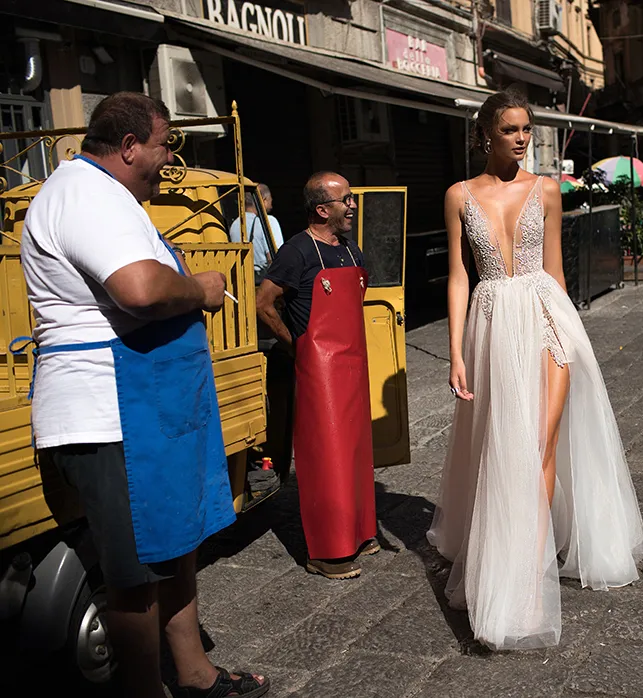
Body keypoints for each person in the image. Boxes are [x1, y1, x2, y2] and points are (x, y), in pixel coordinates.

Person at [18, 92, 268, 697]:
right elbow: (138, 288)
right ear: (129, 147)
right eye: (163, 146)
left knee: (174, 545)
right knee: (134, 570)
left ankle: (195, 675)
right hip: (110, 412)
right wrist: (200, 287)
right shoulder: (83, 194)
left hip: (146, 408)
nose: (167, 162)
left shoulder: (112, 197)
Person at [426, 89, 643, 650]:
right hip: (492, 327)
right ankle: (517, 567)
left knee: (540, 447)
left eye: (527, 129)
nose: (522, 139)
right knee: (507, 450)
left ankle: (527, 577)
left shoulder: (547, 189)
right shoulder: (458, 196)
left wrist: (570, 336)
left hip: (548, 322)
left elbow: (555, 274)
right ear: (485, 136)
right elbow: (459, 278)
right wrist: (455, 352)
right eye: (511, 131)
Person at [255, 171, 378, 580]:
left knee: (356, 452)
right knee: (327, 458)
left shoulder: (349, 249)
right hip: (319, 369)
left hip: (352, 364)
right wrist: (296, 342)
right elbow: (263, 302)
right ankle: (326, 551)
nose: (353, 206)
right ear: (322, 209)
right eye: (346, 199)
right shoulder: (297, 252)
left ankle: (358, 533)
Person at [228, 189, 273, 280]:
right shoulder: (268, 221)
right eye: (270, 200)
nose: (272, 205)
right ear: (263, 201)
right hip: (261, 280)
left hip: (242, 279)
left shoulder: (235, 224)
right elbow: (273, 258)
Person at [258, 183, 285, 249]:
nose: (272, 200)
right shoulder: (270, 221)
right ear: (264, 201)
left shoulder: (235, 224)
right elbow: (277, 252)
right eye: (270, 198)